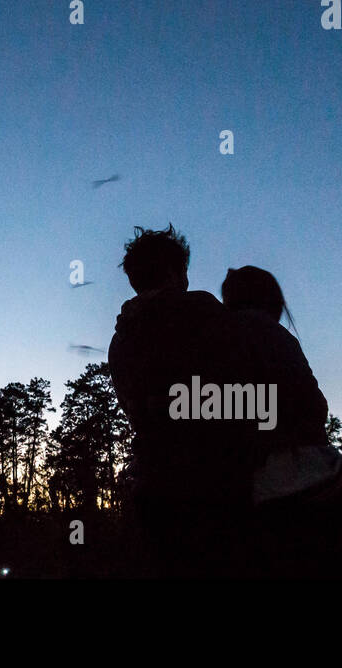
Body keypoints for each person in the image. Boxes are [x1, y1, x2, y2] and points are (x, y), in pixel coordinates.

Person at [108, 225, 261, 577]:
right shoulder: (202, 311)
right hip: (218, 491)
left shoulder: (120, 342)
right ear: (177, 272)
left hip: (153, 492)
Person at [222, 266, 342, 577]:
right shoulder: (279, 338)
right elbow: (314, 404)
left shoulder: (224, 336)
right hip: (317, 479)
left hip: (271, 491)